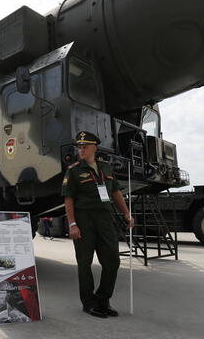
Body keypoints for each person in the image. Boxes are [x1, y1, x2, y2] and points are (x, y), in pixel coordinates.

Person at [61, 131, 135, 319]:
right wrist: (72, 224)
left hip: (104, 219)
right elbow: (68, 199)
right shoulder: (74, 170)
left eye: (84, 147)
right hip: (84, 220)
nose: (81, 150)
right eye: (79, 147)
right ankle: (89, 303)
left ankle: (103, 300)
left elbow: (116, 192)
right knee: (84, 263)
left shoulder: (105, 168)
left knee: (112, 261)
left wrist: (127, 213)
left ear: (95, 148)